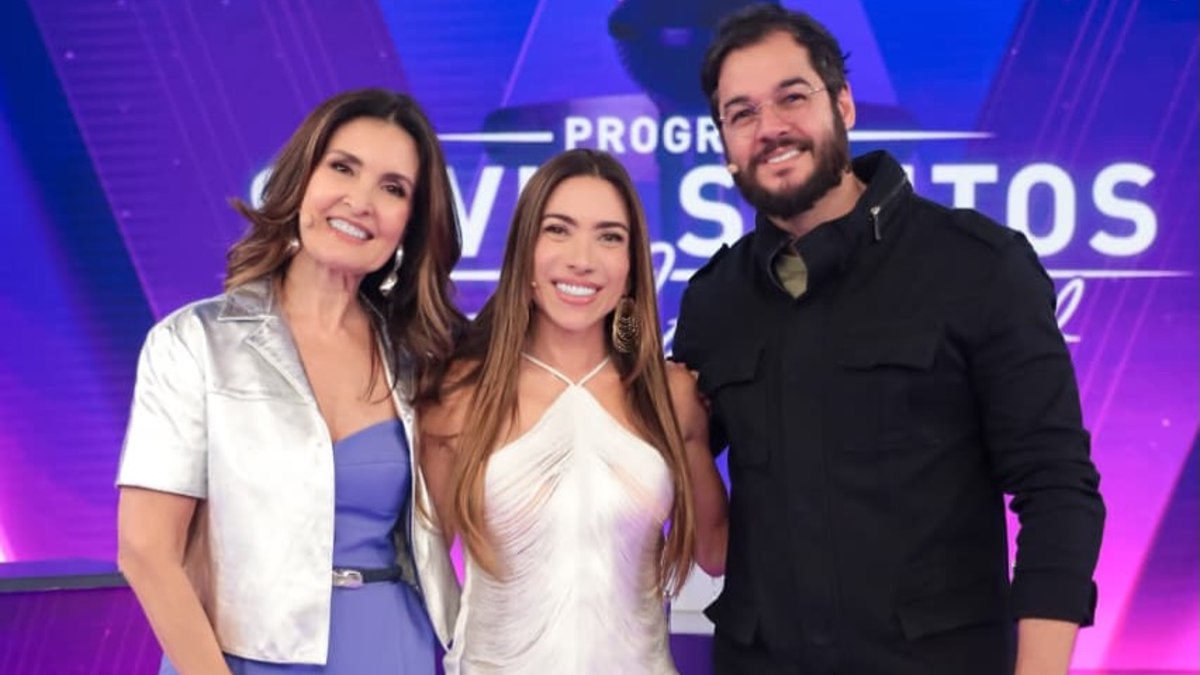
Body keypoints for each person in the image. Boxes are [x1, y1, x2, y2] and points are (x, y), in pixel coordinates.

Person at [671, 5, 1106, 675]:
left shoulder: (980, 266)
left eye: (793, 97)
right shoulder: (712, 301)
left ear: (842, 103)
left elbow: (1057, 489)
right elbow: (705, 528)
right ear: (725, 144)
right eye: (742, 113)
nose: (771, 129)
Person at [115, 88, 463, 674]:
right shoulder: (196, 341)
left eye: (393, 188)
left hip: (389, 649)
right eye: (343, 168)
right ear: (301, 177)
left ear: (410, 221)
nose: (360, 201)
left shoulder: (419, 360)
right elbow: (146, 550)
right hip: (235, 658)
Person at [420, 148, 729, 674]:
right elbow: (423, 572)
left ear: (632, 264)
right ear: (524, 250)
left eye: (609, 236)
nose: (581, 258)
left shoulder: (669, 394)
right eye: (558, 230)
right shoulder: (461, 392)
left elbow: (718, 552)